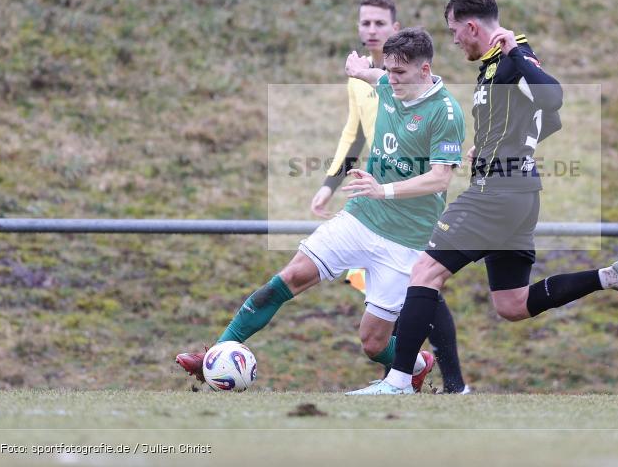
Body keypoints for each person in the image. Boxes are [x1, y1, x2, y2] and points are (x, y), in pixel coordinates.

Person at [348, 0, 618, 395]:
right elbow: (548, 123)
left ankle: (400, 381)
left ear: (472, 27)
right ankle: (610, 276)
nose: (454, 40)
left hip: (498, 192)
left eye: (455, 31)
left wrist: (514, 54)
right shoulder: (494, 63)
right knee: (511, 304)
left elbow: (555, 99)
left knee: (424, 271)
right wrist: (501, 144)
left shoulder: (514, 57)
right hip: (517, 192)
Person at [177, 27, 467, 393]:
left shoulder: (446, 113)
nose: (391, 81)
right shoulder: (389, 83)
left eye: (400, 74)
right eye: (389, 72)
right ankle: (212, 358)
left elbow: (441, 179)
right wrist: (359, 69)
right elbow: (376, 75)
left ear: (425, 72)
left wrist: (384, 189)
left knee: (373, 344)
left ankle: (417, 364)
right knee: (289, 277)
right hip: (361, 217)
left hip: (405, 241)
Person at [309, 0, 469, 393]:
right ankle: (404, 376)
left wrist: (387, 189)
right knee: (406, 297)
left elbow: (439, 173)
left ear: (395, 28)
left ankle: (444, 381)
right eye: (365, 23)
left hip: (405, 209)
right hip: (370, 205)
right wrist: (330, 183)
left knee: (422, 291)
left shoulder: (419, 87)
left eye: (379, 23)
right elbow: (355, 132)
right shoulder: (371, 77)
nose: (371, 29)